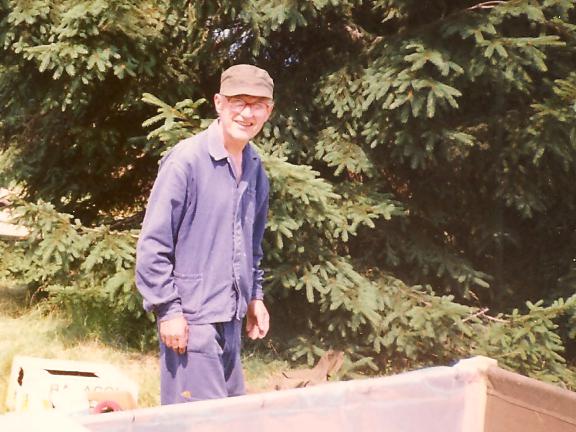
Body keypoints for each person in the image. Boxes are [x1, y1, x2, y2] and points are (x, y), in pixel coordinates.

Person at [135, 64, 273, 404]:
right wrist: (168, 310)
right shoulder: (186, 161)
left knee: (231, 419)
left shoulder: (255, 168)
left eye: (257, 104)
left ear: (268, 111)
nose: (247, 113)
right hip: (191, 322)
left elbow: (251, 245)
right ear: (219, 104)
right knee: (199, 423)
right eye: (238, 102)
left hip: (230, 321)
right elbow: (153, 245)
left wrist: (254, 297)